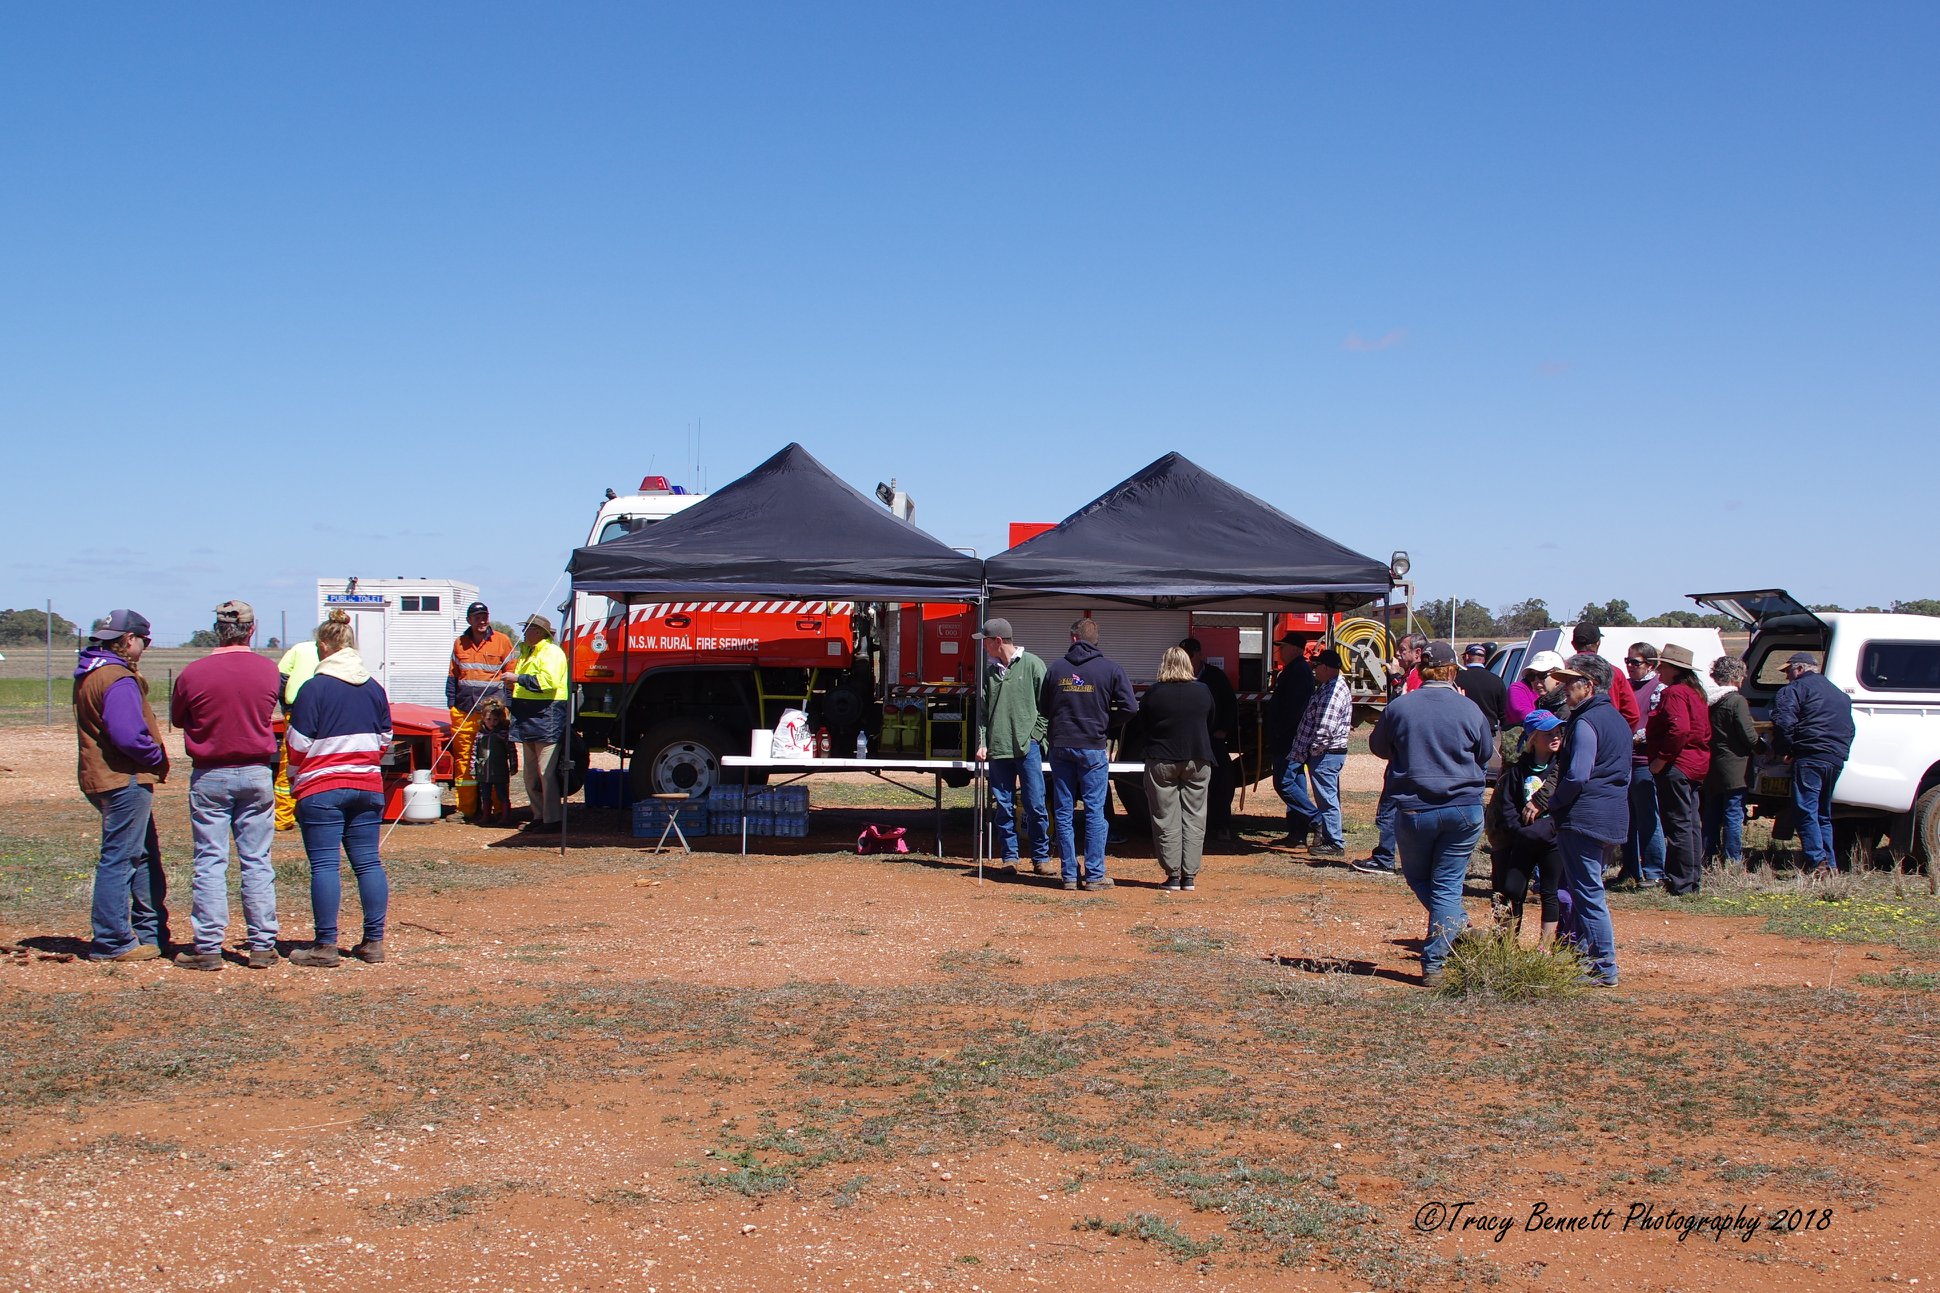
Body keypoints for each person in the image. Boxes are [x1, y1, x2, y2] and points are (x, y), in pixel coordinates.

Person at [1367, 641, 1494, 987]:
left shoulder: (1401, 707)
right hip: (1464, 808)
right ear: (1452, 671)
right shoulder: (1470, 710)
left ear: (1422, 670)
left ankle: (1436, 958)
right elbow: (1484, 753)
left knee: (1420, 878)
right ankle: (1454, 925)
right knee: (1447, 886)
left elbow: (1378, 747)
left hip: (1415, 807)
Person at [167, 600, 281, 971]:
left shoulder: (193, 673)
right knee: (256, 859)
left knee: (210, 860)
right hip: (255, 772)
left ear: (217, 629)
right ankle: (263, 944)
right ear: (252, 628)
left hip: (210, 773)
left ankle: (208, 946)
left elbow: (180, 719)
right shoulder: (269, 671)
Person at [285, 609, 391, 967]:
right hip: (367, 784)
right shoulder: (374, 687)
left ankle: (325, 944)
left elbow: (298, 742)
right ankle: (373, 941)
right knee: (368, 863)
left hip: (322, 786)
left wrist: (293, 773)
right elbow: (386, 738)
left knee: (325, 865)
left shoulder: (313, 688)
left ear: (324, 647)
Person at [74, 609, 172, 962]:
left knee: (141, 853)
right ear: (128, 639)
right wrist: (156, 757)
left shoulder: (90, 671)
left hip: (102, 775)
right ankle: (113, 940)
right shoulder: (118, 678)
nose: (145, 647)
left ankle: (149, 933)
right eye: (144, 640)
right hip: (123, 777)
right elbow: (128, 735)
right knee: (120, 857)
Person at [1546, 654, 1629, 987]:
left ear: (1589, 686)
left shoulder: (1585, 722)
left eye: (1570, 683)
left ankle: (1604, 965)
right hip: (1610, 815)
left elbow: (1578, 774)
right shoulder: (1616, 719)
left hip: (1584, 816)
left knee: (1588, 893)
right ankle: (1585, 955)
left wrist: (1555, 803)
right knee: (1588, 890)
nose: (1565, 689)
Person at [1040, 618, 1138, 891]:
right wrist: (1106, 723)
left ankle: (1069, 875)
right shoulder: (1111, 669)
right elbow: (1131, 708)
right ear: (1096, 640)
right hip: (1093, 746)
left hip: (1061, 746)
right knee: (1095, 810)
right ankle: (1095, 875)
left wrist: (1063, 723)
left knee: (1063, 810)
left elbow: (1043, 706)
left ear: (1073, 639)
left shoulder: (1056, 668)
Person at [1132, 647, 1214, 891]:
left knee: (1165, 818)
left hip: (1161, 760)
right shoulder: (1203, 690)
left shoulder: (1154, 692)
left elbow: (1142, 724)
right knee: (1195, 817)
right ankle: (1190, 875)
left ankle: (1173, 875)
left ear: (1164, 664)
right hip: (1198, 759)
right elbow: (1211, 720)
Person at [974, 617, 1051, 875]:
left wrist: (1036, 736)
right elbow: (983, 714)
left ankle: (1041, 857)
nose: (983, 646)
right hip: (999, 748)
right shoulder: (989, 673)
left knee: (1036, 805)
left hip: (1027, 748)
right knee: (1003, 806)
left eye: (985, 641)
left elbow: (1047, 706)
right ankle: (1010, 858)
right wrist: (984, 742)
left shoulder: (1033, 665)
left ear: (997, 641)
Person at [1352, 631, 1430, 875]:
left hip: (1406, 757)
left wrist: (1396, 679)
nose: (1397, 655)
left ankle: (1386, 857)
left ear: (1417, 653)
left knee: (1391, 807)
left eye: (1402, 650)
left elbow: (1405, 709)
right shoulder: (1415, 676)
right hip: (1411, 755)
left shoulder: (1416, 678)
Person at [1771, 651, 1855, 876]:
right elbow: (1850, 729)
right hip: (1835, 758)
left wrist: (1785, 750)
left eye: (1788, 671)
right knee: (1822, 813)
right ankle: (1830, 863)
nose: (1787, 677)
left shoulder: (1794, 690)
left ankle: (1817, 863)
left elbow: (1783, 722)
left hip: (1810, 756)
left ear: (1799, 669)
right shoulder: (1840, 694)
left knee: (1805, 810)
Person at [1489, 709, 1565, 948]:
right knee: (1512, 889)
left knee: (1550, 893)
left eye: (1557, 733)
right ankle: (1507, 944)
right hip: (1523, 840)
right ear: (1532, 739)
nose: (1555, 737)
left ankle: (1544, 948)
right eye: (1547, 733)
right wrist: (1518, 830)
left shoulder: (1561, 769)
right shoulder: (1519, 771)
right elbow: (1508, 805)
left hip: (1552, 841)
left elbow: (1564, 804)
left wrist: (1549, 827)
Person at [1645, 644, 1712, 896]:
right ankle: (1691, 879)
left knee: (1678, 823)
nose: (1659, 669)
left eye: (1662, 665)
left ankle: (1680, 881)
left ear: (1673, 668)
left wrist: (1661, 759)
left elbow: (1679, 729)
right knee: (1691, 823)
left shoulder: (1674, 693)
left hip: (1678, 765)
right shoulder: (1695, 692)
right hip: (1695, 764)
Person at [447, 601, 516, 821]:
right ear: (469, 620)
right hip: (465, 711)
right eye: (477, 616)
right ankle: (466, 809)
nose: (482, 620)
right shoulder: (460, 643)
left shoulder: (502, 641)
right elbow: (452, 675)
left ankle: (497, 809)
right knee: (465, 760)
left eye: (485, 615)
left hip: (493, 714)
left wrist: (508, 707)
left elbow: (511, 676)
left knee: (494, 760)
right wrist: (452, 704)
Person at [504, 614, 571, 831]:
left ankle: (552, 819)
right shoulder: (529, 653)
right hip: (527, 715)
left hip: (547, 715)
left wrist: (516, 679)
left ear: (539, 632)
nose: (524, 633)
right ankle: (538, 816)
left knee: (546, 771)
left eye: (528, 629)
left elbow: (547, 682)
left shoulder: (551, 653)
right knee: (531, 772)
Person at [1289, 649, 1354, 860]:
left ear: (1326, 667)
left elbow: (1325, 729)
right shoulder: (1328, 687)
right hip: (1326, 753)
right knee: (1328, 797)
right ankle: (1330, 838)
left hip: (1326, 754)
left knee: (1327, 799)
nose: (1314, 670)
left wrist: (1311, 751)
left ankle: (1334, 842)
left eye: (1317, 666)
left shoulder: (1333, 691)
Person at [1617, 643, 1666, 891]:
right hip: (1626, 760)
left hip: (1644, 761)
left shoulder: (1658, 688)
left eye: (1635, 662)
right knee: (1628, 818)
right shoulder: (1627, 685)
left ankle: (1655, 870)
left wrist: (1633, 737)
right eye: (1627, 660)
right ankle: (1630, 868)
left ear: (1650, 664)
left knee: (1648, 816)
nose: (1629, 666)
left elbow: (1658, 725)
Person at [1180, 637, 1239, 841]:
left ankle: (1221, 824)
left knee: (1221, 781)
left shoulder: (1215, 676)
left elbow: (1230, 704)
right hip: (1187, 741)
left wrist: (1223, 729)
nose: (1187, 660)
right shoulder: (1179, 678)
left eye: (1190, 655)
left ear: (1199, 655)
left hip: (1212, 739)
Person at [1263, 633, 1317, 848]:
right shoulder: (1296, 670)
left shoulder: (1298, 671)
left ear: (1295, 648)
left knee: (1284, 783)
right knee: (1295, 783)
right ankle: (1298, 832)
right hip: (1290, 738)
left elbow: (1293, 710)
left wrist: (1281, 734)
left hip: (1289, 739)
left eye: (1283, 647)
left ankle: (1315, 820)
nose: (1280, 651)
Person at [1703, 656, 1757, 869]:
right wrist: (1764, 748)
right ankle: (1732, 860)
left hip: (1712, 765)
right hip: (1735, 767)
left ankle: (1707, 857)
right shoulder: (1737, 701)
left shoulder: (1709, 699)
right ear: (1735, 677)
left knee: (1711, 814)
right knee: (1733, 814)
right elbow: (1748, 735)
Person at [272, 635, 322, 831]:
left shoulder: (298, 648)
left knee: (289, 761)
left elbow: (281, 678)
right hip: (327, 712)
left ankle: (284, 818)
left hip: (296, 711)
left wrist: (286, 704)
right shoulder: (341, 651)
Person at [1572, 622, 1642, 728]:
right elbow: (1632, 714)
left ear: (1573, 644)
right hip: (1609, 734)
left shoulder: (1563, 672)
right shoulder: (1615, 672)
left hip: (1575, 734)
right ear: (1598, 643)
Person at [473, 699, 518, 827]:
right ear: (483, 719)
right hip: (484, 771)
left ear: (500, 720)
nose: (492, 723)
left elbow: (512, 751)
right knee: (485, 795)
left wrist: (513, 766)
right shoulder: (480, 735)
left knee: (502, 794)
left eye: (495, 720)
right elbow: (474, 752)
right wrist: (473, 768)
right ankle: (486, 816)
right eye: (489, 719)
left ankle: (505, 817)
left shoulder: (503, 735)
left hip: (499, 770)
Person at [1503, 649, 1567, 730]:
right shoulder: (1543, 703)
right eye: (1531, 676)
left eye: (1542, 675)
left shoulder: (1566, 707)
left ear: (1558, 676)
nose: (1536, 680)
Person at [1455, 642, 1506, 734]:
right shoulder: (1497, 680)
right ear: (1483, 660)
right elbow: (1503, 712)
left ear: (1466, 657)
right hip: (1488, 730)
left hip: (1463, 730)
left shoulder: (1456, 679)